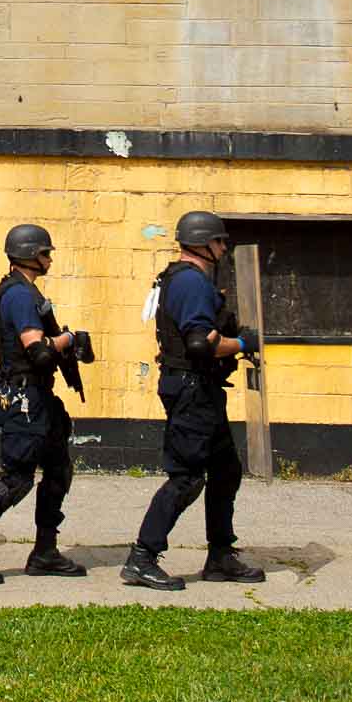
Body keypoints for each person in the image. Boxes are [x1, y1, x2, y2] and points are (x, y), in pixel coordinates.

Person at [121, 210, 266, 590]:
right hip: (191, 389)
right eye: (220, 242)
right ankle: (143, 557)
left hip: (199, 389)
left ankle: (220, 556)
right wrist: (244, 344)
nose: (223, 248)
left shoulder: (182, 278)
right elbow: (202, 343)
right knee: (186, 478)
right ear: (204, 244)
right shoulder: (192, 283)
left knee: (226, 471)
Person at [0, 223, 87, 584]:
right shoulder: (20, 296)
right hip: (25, 397)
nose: (49, 257)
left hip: (40, 397)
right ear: (30, 255)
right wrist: (67, 340)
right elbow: (37, 351)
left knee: (58, 469)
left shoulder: (25, 290)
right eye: (45, 252)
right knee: (17, 479)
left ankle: (45, 552)